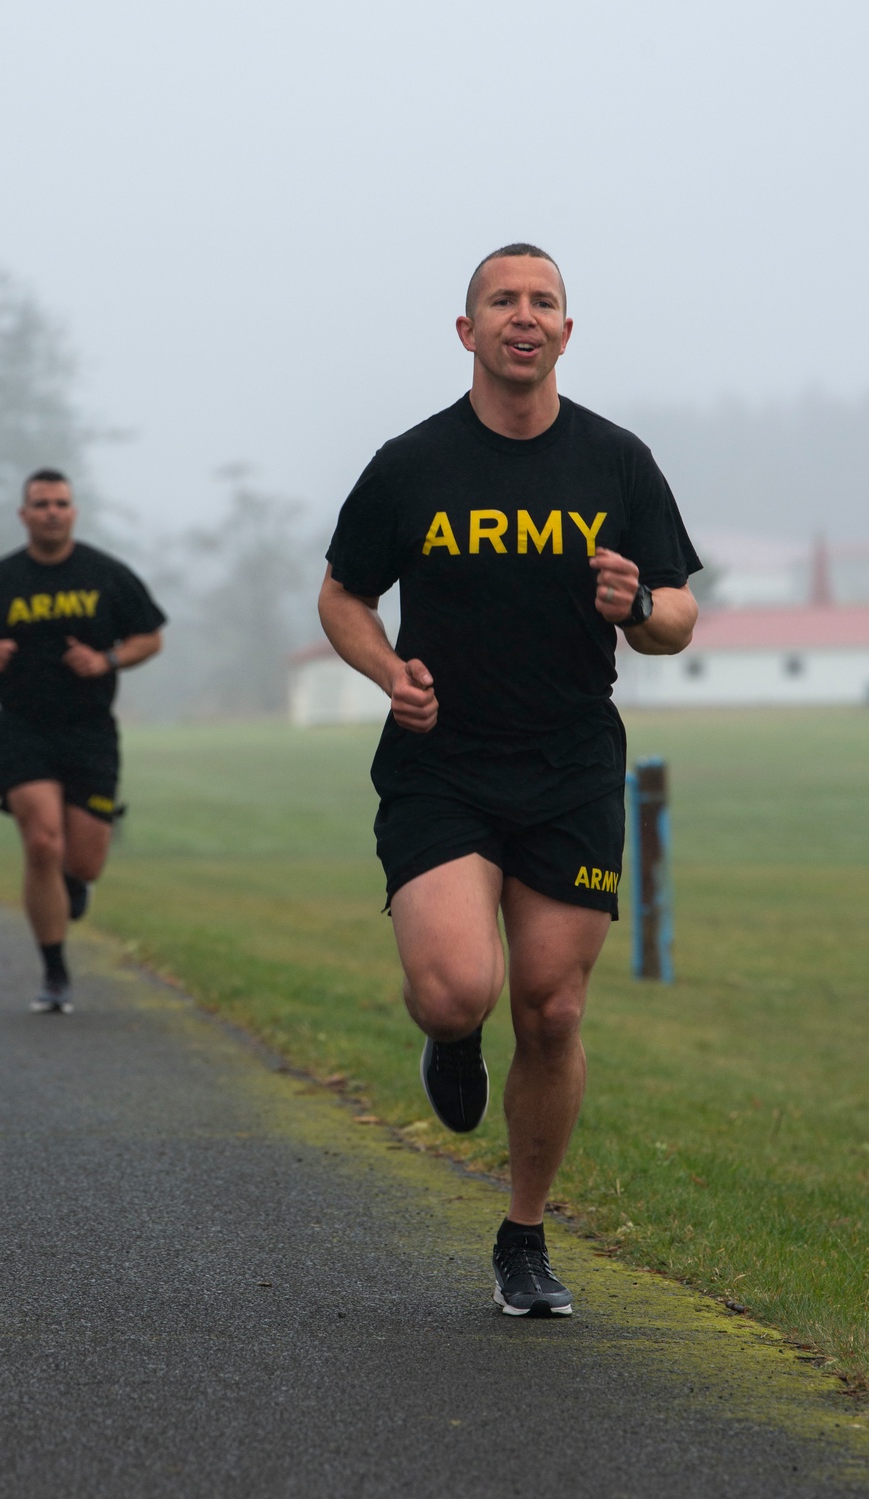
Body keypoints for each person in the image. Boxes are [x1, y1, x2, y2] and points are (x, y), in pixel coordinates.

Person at [318, 244, 700, 1317]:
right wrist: (387, 668)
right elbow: (342, 594)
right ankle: (446, 1037)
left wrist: (634, 605)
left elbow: (676, 616)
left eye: (542, 302)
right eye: (502, 300)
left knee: (551, 1005)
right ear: (467, 330)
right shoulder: (411, 464)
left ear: (566, 333)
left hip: (570, 764)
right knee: (457, 988)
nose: (522, 316)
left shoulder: (616, 462)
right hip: (442, 763)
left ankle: (523, 1233)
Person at [0, 468, 166, 1015]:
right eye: (40, 503)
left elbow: (150, 636)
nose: (50, 512)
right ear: (24, 514)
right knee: (42, 842)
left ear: (73, 512)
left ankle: (72, 883)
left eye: (60, 503)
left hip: (90, 730)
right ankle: (55, 972)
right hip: (22, 728)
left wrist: (106, 659)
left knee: (84, 863)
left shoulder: (105, 574)